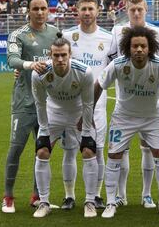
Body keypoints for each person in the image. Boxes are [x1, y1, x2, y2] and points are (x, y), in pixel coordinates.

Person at [94, 26, 159, 218]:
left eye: (143, 46)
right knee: (114, 155)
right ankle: (110, 202)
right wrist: (88, 114)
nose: (139, 49)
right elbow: (98, 85)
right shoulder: (118, 64)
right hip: (124, 116)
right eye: (135, 46)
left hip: (152, 116)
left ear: (150, 47)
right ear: (128, 47)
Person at [3, 0, 59, 213]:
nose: (39, 12)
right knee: (16, 148)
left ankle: (37, 197)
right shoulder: (19, 35)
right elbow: (12, 60)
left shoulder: (56, 33)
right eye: (35, 8)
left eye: (43, 8)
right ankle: (8, 196)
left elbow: (65, 58)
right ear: (28, 11)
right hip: (24, 103)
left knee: (42, 150)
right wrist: (28, 65)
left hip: (48, 104)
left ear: (48, 10)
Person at [60, 0, 117, 210]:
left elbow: (112, 70)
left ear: (97, 11)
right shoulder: (67, 36)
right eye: (83, 9)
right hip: (70, 104)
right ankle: (69, 195)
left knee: (98, 150)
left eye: (90, 9)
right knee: (70, 150)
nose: (87, 13)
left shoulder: (108, 38)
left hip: (97, 105)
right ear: (77, 11)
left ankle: (97, 194)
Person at [31, 36, 98, 218]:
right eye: (56, 55)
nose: (60, 59)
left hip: (77, 112)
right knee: (42, 151)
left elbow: (88, 104)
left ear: (70, 54)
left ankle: (90, 202)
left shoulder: (84, 71)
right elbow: (40, 104)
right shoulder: (39, 73)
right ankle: (44, 202)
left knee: (88, 150)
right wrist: (43, 130)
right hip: (53, 113)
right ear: (50, 55)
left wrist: (85, 132)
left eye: (63, 55)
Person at [111, 0, 159, 208]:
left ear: (146, 9)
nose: (136, 13)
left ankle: (146, 194)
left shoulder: (156, 32)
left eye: (140, 9)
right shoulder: (117, 31)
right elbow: (111, 60)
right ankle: (121, 195)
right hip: (124, 100)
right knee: (121, 149)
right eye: (132, 10)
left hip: (149, 101)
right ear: (126, 11)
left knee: (147, 147)